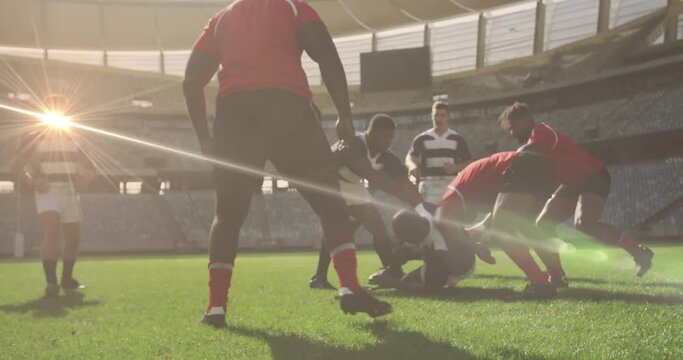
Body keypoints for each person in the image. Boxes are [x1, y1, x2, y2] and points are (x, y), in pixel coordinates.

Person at [183, 0, 390, 327]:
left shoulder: (221, 19)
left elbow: (191, 80)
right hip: (287, 107)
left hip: (235, 115)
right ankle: (349, 285)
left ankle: (215, 308)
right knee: (330, 203)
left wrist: (204, 139)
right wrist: (344, 114)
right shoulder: (292, 7)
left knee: (227, 216)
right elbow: (326, 53)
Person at [499, 102, 654, 285]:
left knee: (584, 224)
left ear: (526, 120)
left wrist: (500, 164)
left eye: (514, 127)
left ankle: (638, 251)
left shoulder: (542, 132)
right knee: (542, 224)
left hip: (592, 175)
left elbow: (527, 153)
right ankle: (557, 275)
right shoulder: (533, 141)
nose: (512, 133)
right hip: (571, 183)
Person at [309, 114, 427, 289]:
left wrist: (424, 209)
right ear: (371, 133)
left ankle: (392, 269)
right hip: (329, 183)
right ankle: (319, 277)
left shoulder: (387, 156)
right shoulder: (355, 143)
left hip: (351, 184)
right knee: (336, 227)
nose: (388, 141)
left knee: (378, 227)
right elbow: (368, 173)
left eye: (391, 137)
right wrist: (399, 192)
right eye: (384, 136)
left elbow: (406, 185)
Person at [434, 150, 559, 298]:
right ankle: (558, 277)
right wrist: (476, 230)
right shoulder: (477, 189)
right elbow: (498, 211)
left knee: (501, 229)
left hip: (522, 165)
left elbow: (440, 219)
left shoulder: (455, 190)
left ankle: (540, 285)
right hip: (542, 166)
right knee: (529, 228)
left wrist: (474, 247)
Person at [11, 117, 96, 298]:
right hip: (48, 189)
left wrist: (86, 176)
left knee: (74, 238)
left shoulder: (75, 137)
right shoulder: (35, 137)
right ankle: (51, 283)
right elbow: (17, 166)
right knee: (52, 230)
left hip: (70, 191)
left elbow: (91, 166)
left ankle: (67, 279)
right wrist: (33, 181)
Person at [406, 101, 471, 204]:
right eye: (436, 115)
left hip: (450, 182)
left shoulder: (457, 138)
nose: (438, 119)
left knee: (448, 217)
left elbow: (469, 162)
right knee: (428, 215)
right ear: (431, 116)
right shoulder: (421, 138)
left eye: (442, 115)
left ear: (447, 117)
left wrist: (455, 167)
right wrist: (412, 166)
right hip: (428, 184)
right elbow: (410, 158)